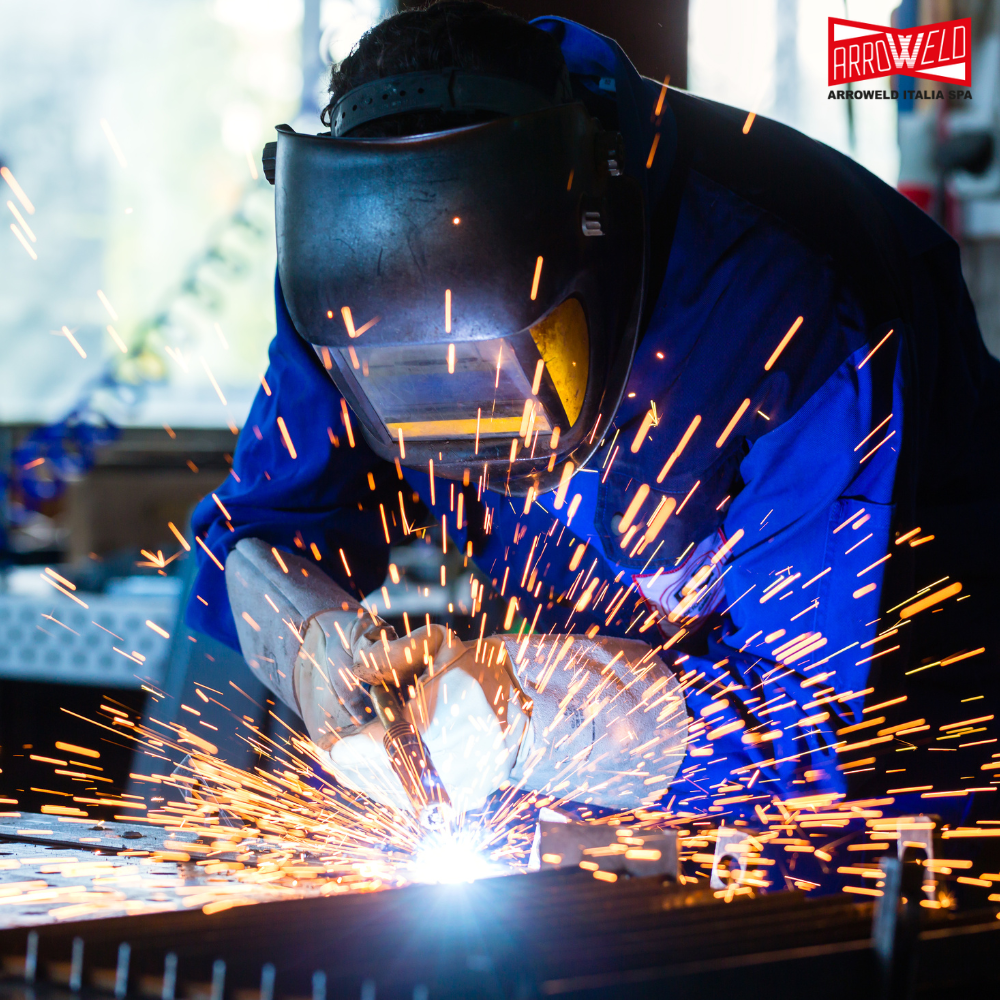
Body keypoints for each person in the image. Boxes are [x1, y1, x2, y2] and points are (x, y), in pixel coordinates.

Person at [187, 2, 999, 820]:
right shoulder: (343, 288)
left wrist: (535, 716)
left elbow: (809, 727)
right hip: (594, 765)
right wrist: (313, 647)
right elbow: (261, 533)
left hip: (902, 745)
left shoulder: (788, 311)